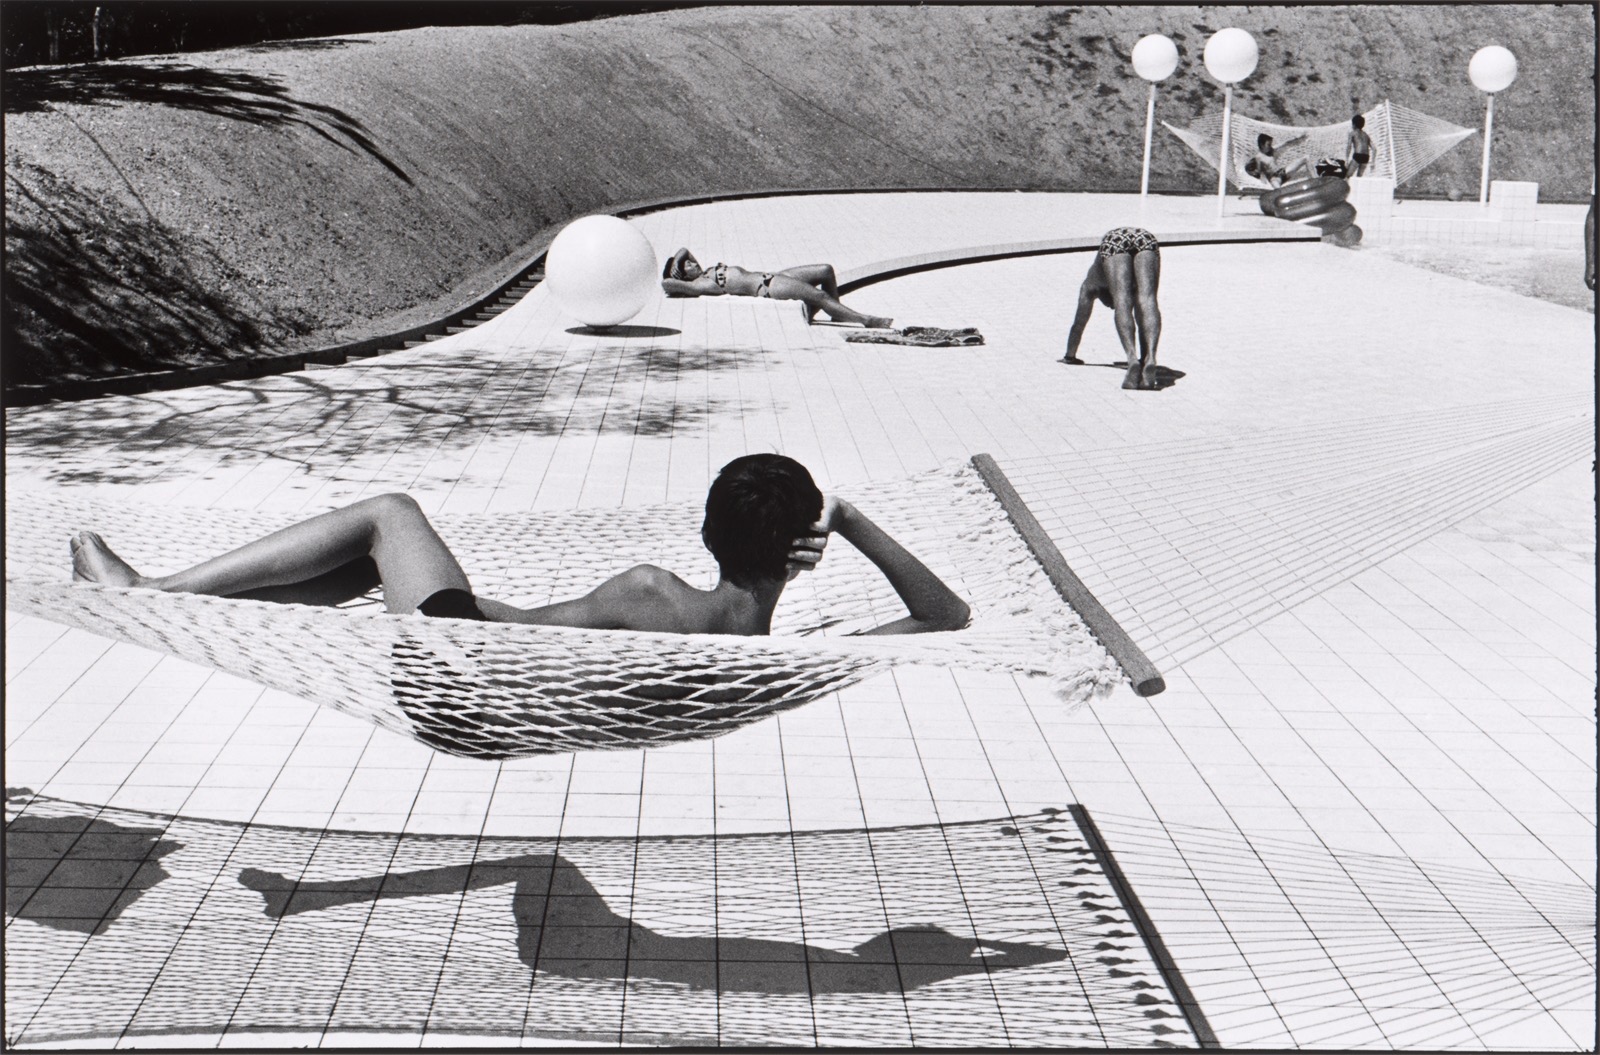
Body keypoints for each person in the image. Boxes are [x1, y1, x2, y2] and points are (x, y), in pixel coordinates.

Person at [69, 454, 970, 638]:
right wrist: (847, 520)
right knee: (353, 576)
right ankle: (168, 607)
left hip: (466, 674)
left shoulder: (656, 592)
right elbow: (945, 615)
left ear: (709, 533)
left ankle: (149, 593)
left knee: (389, 512)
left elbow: (519, 633)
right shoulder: (773, 658)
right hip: (491, 693)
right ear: (798, 552)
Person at [662, 248, 893, 329]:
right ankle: (865, 320)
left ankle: (837, 312)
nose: (693, 262)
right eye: (687, 265)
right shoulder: (700, 284)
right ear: (683, 274)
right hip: (768, 287)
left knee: (825, 270)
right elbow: (667, 284)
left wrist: (679, 257)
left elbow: (685, 249)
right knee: (819, 295)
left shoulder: (703, 272)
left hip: (773, 275)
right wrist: (675, 270)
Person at [1061, 227, 1162, 391]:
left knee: (1122, 301)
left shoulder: (1090, 286)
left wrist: (1069, 356)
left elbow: (1078, 325)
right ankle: (1149, 358)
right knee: (1148, 299)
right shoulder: (1132, 284)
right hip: (1145, 237)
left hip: (1114, 240)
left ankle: (1132, 360)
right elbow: (1142, 314)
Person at [1245, 132, 1311, 187]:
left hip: (1283, 172)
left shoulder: (1272, 151)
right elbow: (1260, 172)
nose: (1270, 146)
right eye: (1268, 145)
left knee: (1305, 158)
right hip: (1274, 178)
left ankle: (1316, 179)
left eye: (1271, 144)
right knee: (1276, 185)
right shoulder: (1259, 157)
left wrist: (1299, 139)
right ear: (1262, 145)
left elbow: (1286, 144)